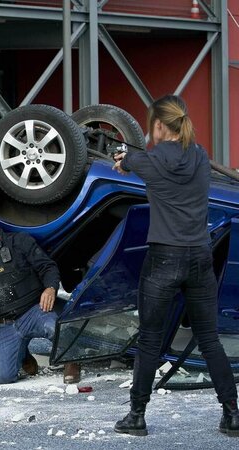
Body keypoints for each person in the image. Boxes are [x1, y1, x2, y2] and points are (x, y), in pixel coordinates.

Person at [112, 95, 238, 437]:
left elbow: (130, 162)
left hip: (164, 258)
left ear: (157, 126)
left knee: (150, 340)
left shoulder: (150, 159)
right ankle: (232, 413)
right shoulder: (198, 156)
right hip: (199, 256)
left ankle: (136, 416)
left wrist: (124, 161)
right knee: (209, 339)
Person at [0, 212, 81, 385]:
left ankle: (71, 360)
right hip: (7, 324)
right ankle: (23, 354)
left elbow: (47, 267)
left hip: (35, 311)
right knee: (3, 377)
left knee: (53, 326)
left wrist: (50, 288)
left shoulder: (19, 242)